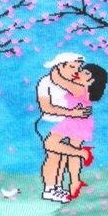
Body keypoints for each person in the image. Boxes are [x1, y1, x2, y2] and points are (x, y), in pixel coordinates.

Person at [35, 52, 93, 202]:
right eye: (72, 67)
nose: (76, 71)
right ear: (60, 66)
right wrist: (71, 113)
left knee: (60, 159)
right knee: (53, 157)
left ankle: (56, 187)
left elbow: (81, 93)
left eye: (78, 67)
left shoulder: (73, 83)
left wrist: (60, 80)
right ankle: (49, 189)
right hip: (49, 122)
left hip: (67, 124)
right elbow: (46, 107)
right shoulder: (45, 82)